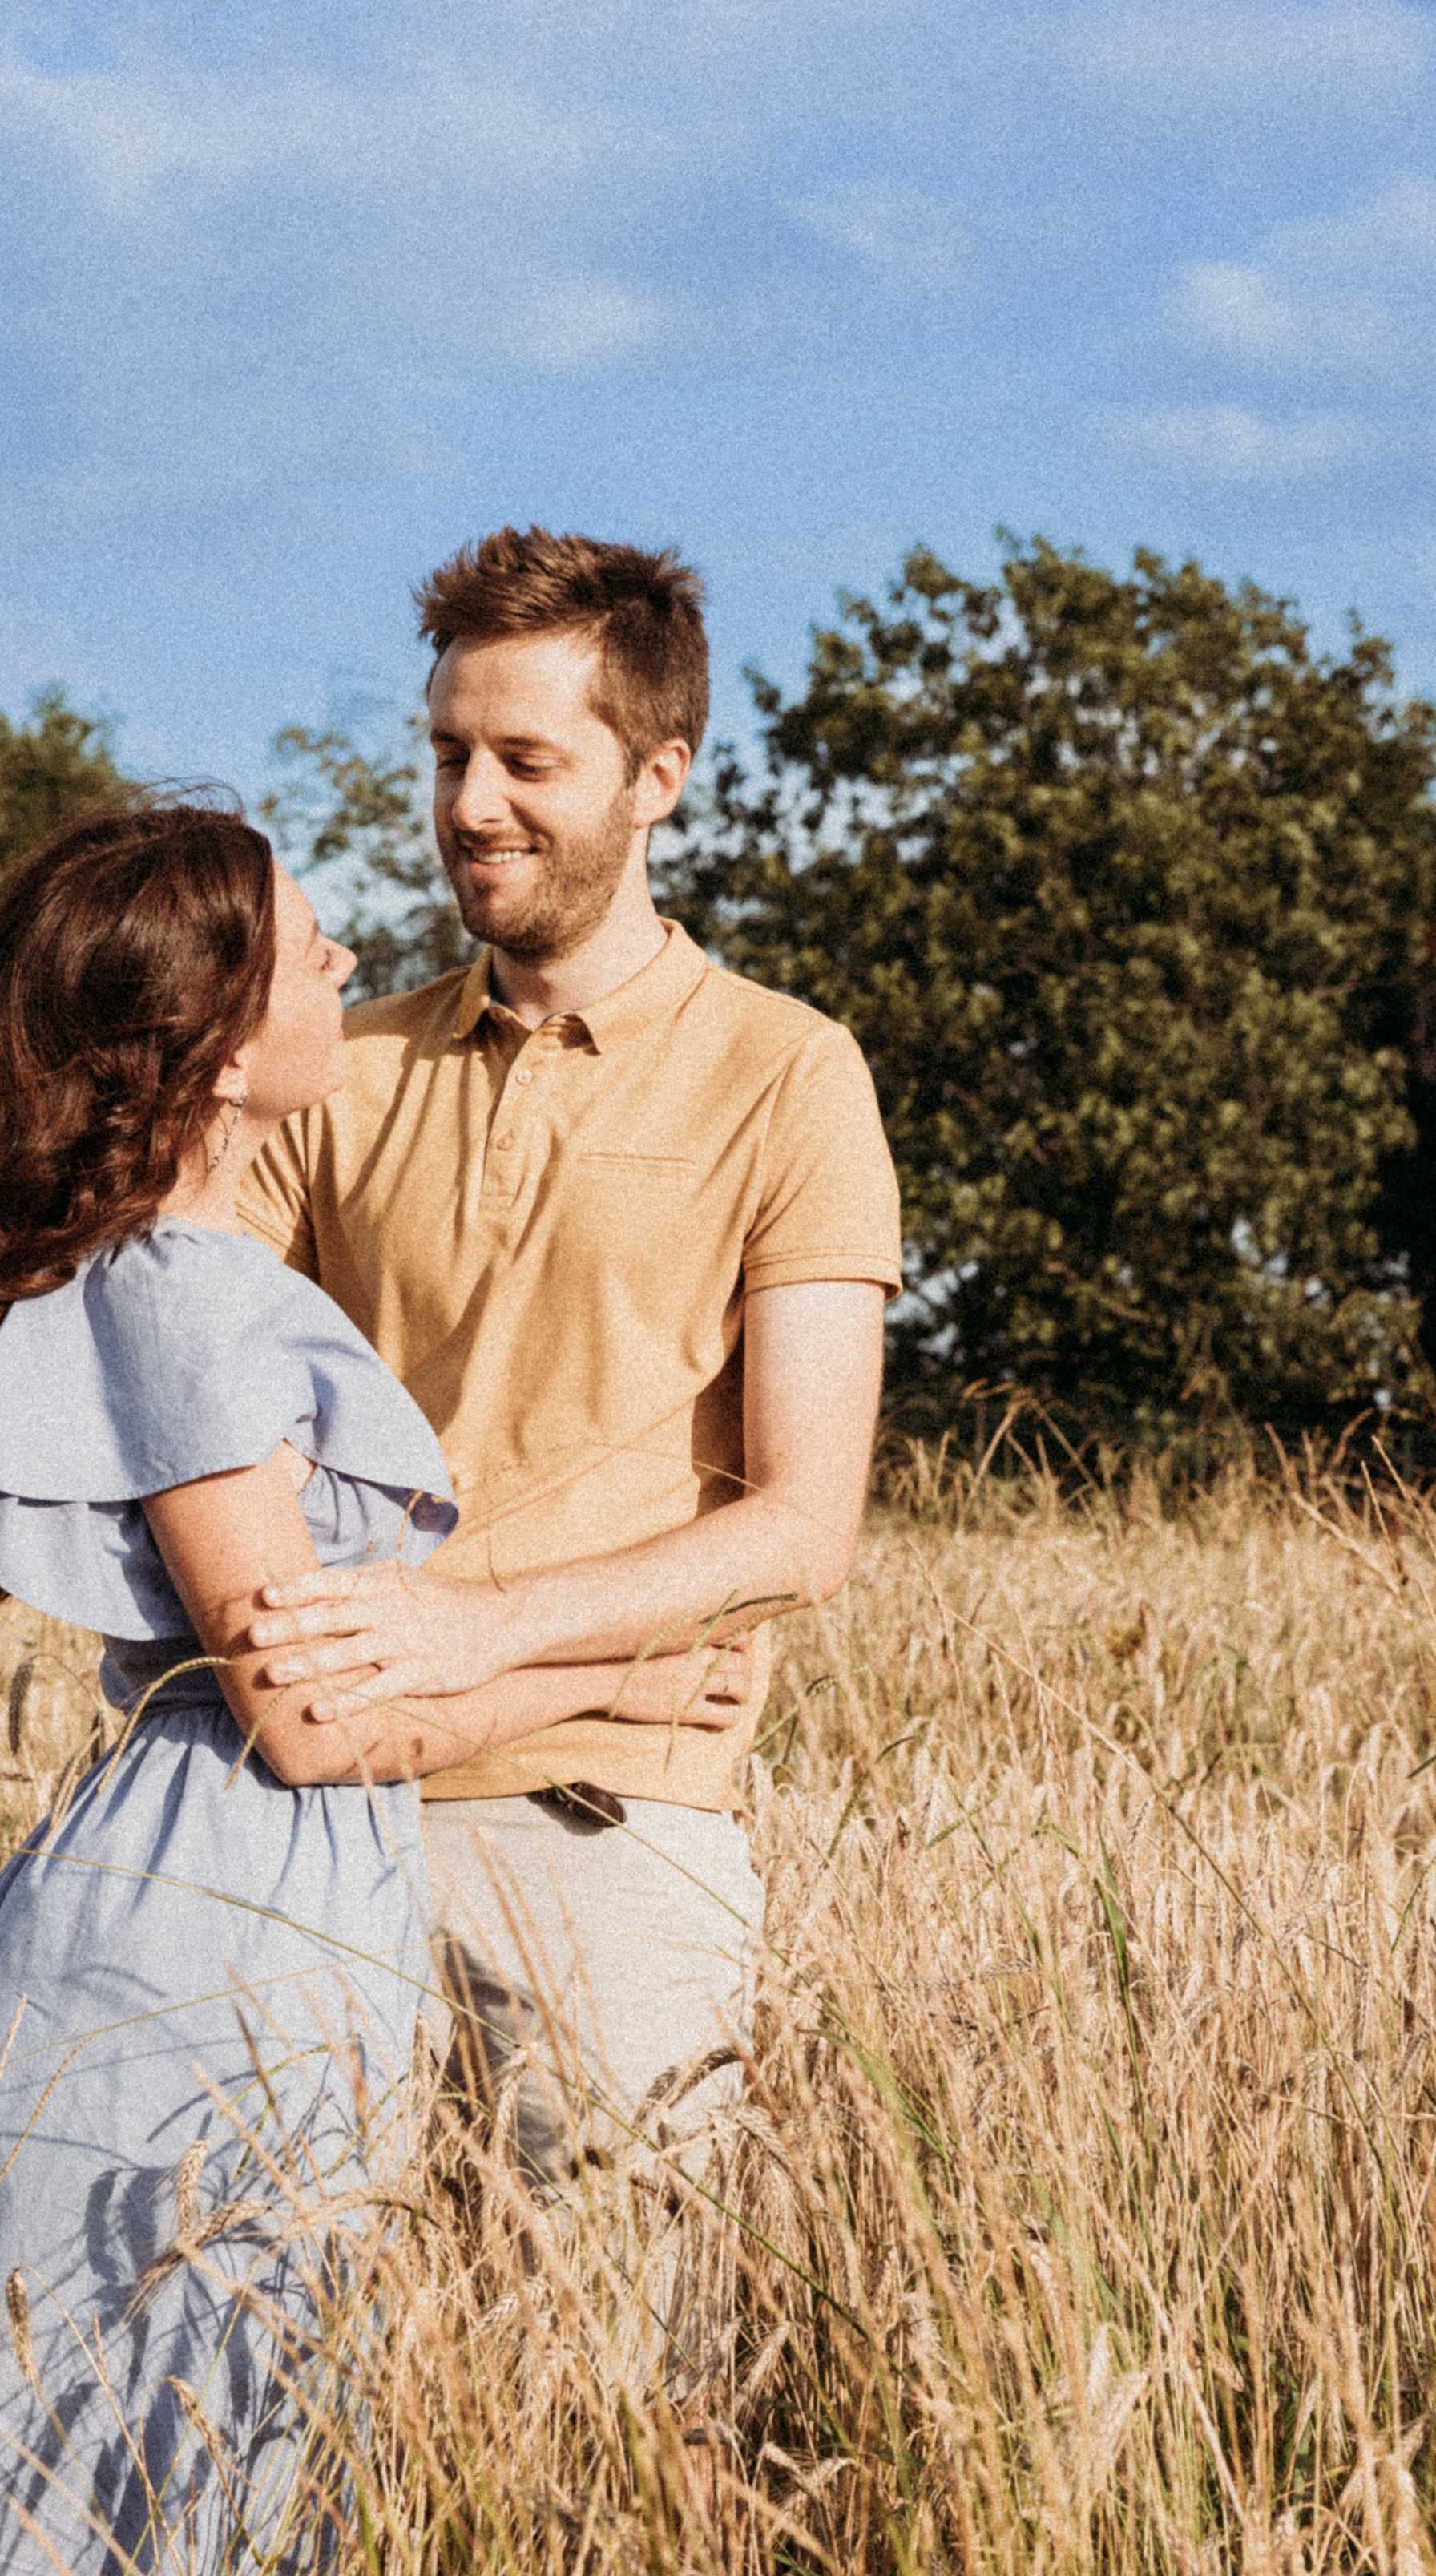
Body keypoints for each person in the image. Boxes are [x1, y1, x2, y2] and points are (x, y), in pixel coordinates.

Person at [0, 797, 747, 2576]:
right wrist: (627, 1667)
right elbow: (307, 1705)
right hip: (185, 1948)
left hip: (254, 1928)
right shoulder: (188, 1295)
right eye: (313, 957)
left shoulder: (216, 1285)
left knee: (173, 2470)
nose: (352, 973)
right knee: (26, 2487)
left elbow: (335, 1671)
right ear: (225, 1043)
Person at [240, 527, 902, 2190]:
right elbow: (208, 1418)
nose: (468, 803)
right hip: (311, 1822)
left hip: (609, 1837)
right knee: (307, 2398)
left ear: (654, 777)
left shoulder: (789, 1074)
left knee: (618, 2397)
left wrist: (474, 1635)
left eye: (526, 760)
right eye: (447, 753)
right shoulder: (334, 1068)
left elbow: (799, 1527)